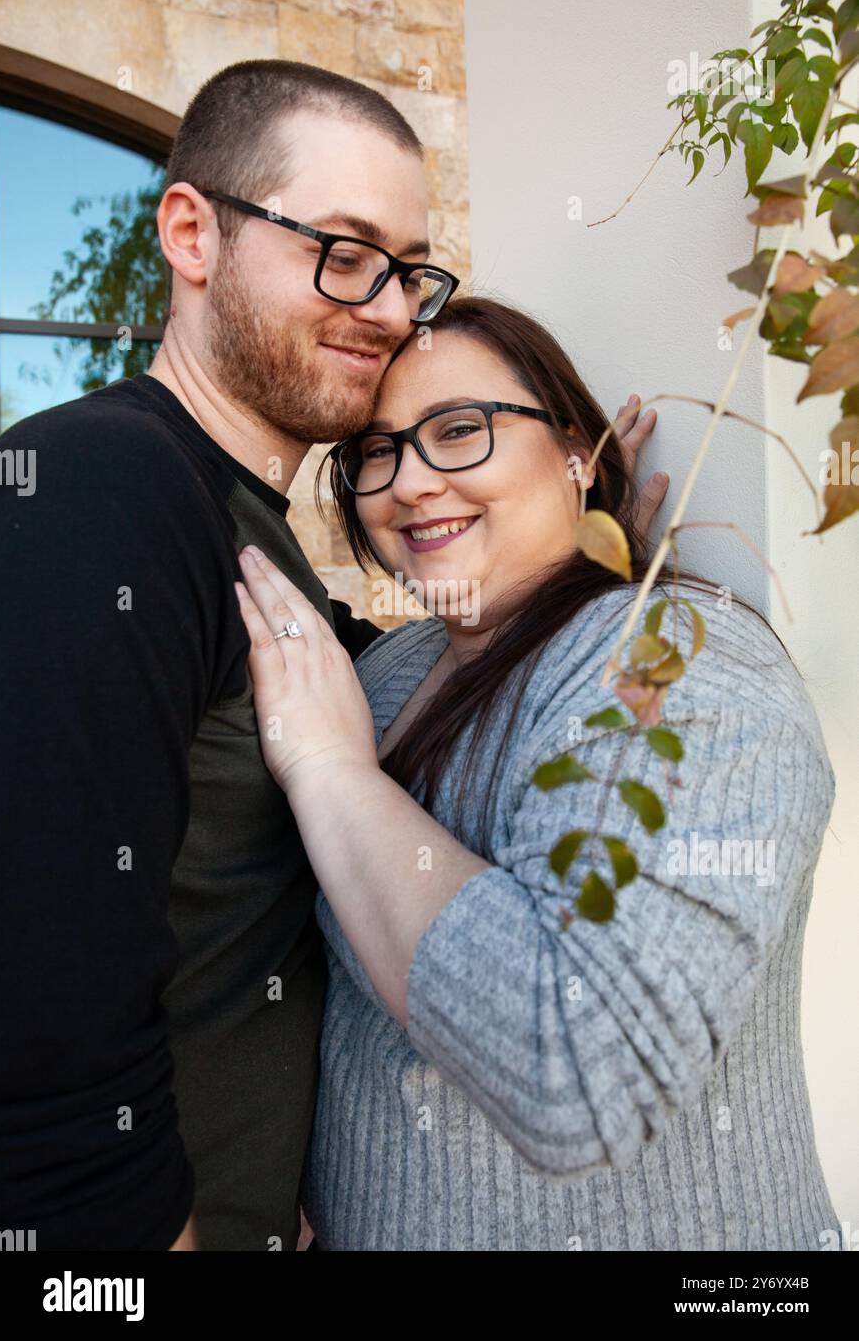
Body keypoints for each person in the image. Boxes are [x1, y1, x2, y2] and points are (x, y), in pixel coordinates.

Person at [0, 61, 665, 1250]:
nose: (395, 308)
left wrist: (581, 526)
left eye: (409, 270)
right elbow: (40, 991)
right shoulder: (105, 486)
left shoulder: (252, 539)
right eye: (342, 252)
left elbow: (406, 663)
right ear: (192, 235)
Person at [235, 294, 842, 1251]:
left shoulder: (689, 666)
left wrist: (329, 772)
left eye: (461, 431)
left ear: (579, 452)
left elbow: (578, 1065)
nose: (410, 484)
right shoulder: (384, 674)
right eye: (378, 452)